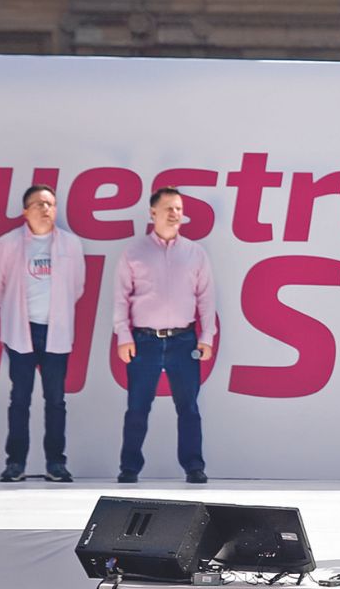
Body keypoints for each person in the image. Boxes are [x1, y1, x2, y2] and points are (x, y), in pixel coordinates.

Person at [113, 187, 216, 484]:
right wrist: (123, 335)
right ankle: (129, 468)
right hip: (143, 340)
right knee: (137, 407)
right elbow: (121, 296)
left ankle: (194, 466)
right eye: (169, 208)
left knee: (189, 408)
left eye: (179, 209)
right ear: (152, 213)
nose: (175, 214)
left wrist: (207, 336)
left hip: (184, 341)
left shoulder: (195, 253)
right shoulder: (134, 252)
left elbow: (206, 297)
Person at [0, 184, 85, 483]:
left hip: (56, 331)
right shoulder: (8, 243)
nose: (46, 209)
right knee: (20, 399)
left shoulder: (71, 244)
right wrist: (16, 312)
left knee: (56, 400)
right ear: (25, 210)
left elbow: (77, 287)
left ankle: (56, 463)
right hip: (21, 332)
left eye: (51, 204)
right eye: (40, 204)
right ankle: (15, 463)